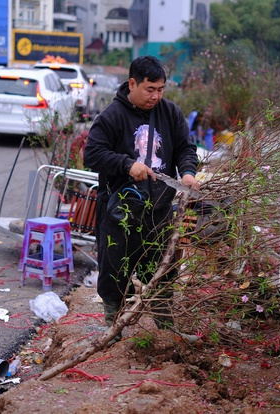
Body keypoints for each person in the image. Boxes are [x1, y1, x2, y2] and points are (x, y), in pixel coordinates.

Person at [83, 55, 199, 341]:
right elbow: (92, 154)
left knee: (163, 270)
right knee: (114, 271)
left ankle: (166, 329)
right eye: (150, 89)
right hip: (118, 212)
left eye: (161, 89)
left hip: (158, 211)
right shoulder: (111, 117)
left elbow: (186, 148)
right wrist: (126, 164)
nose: (156, 96)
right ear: (132, 83)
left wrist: (186, 172)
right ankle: (113, 326)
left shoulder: (170, 114)